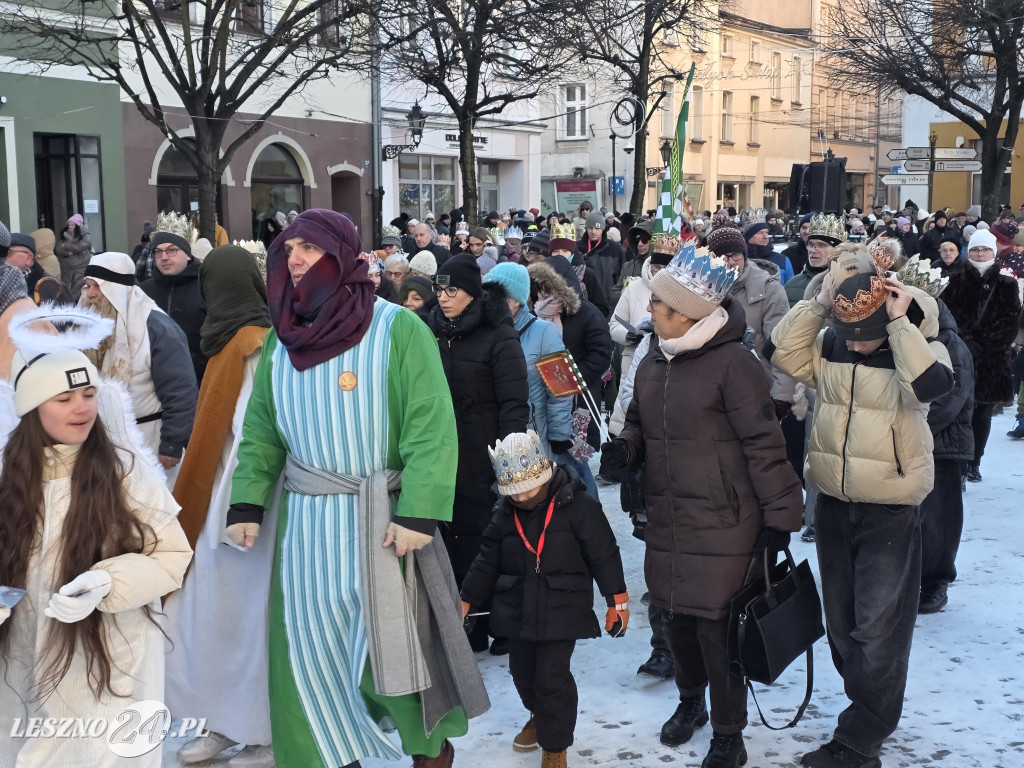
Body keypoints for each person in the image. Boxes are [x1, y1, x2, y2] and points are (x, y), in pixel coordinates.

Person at [226, 210, 488, 768]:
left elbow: (430, 424)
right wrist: (248, 499)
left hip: (385, 523)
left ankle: (429, 753)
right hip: (306, 533)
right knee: (307, 659)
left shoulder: (399, 329)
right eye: (288, 247)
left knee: (396, 654)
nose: (292, 258)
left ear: (342, 257)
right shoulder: (281, 342)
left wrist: (419, 512)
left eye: (309, 248)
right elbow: (262, 429)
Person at [602, 244, 803, 768]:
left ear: (688, 314)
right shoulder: (654, 357)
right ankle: (690, 702)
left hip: (725, 519)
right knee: (675, 620)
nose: (649, 312)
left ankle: (728, 733)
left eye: (659, 308)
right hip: (667, 513)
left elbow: (764, 443)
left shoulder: (735, 364)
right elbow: (642, 423)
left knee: (718, 628)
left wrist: (781, 516)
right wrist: (627, 447)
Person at [769, 253, 954, 768]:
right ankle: (868, 702)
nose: (853, 341)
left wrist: (897, 324)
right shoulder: (831, 343)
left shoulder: (918, 349)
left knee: (879, 628)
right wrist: (820, 303)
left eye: (864, 331)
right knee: (843, 624)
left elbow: (934, 389)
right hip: (832, 502)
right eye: (847, 329)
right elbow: (781, 352)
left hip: (890, 508)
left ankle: (861, 736)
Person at [0, 313, 192, 767]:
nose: (82, 408)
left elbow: (170, 556)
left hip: (108, 652)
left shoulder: (126, 473)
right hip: (21, 652)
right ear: (33, 408)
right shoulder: (9, 478)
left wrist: (108, 582)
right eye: (63, 398)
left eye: (88, 394)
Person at [164, 245, 275, 768]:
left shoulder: (255, 344)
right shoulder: (228, 341)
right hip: (218, 506)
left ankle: (261, 729)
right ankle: (223, 723)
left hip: (244, 512)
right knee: (214, 619)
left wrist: (239, 510)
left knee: (246, 621)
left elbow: (255, 435)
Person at [460, 431, 628, 768]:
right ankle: (539, 715)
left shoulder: (579, 505)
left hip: (562, 606)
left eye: (528, 490)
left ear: (544, 474)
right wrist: (467, 599)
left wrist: (617, 601)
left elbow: (604, 554)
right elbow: (487, 559)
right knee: (522, 673)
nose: (521, 498)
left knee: (552, 678)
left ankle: (556, 746)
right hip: (517, 606)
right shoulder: (504, 511)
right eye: (514, 493)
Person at [425, 254, 529, 654]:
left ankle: (494, 622)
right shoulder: (429, 329)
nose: (444, 297)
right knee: (448, 540)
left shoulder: (498, 334)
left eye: (453, 290)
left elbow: (514, 404)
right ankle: (461, 622)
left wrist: (507, 466)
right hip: (440, 452)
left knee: (485, 541)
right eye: (440, 289)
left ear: (472, 293)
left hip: (483, 455)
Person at [79, 251, 198, 482]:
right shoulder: (86, 322)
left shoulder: (157, 328)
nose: (90, 294)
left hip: (147, 440)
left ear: (116, 289)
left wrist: (172, 445)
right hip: (98, 440)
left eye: (98, 287)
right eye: (88, 286)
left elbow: (181, 391)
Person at [914, 270, 974, 615]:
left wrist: (907, 426)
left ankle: (936, 580)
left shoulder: (951, 344)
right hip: (911, 441)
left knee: (939, 517)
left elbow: (948, 400)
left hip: (943, 445)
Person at [941, 228, 1021, 482]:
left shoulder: (1007, 284)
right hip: (959, 357)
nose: (980, 253)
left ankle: (975, 461)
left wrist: (984, 344)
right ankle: (960, 465)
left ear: (993, 252)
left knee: (982, 414)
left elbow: (1010, 321)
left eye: (985, 249)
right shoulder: (953, 280)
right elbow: (945, 316)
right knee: (957, 412)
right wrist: (963, 342)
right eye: (976, 248)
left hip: (992, 360)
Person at [483, 263, 573, 459]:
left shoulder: (543, 333)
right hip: (487, 435)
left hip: (531, 438)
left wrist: (559, 435)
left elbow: (561, 389)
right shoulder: (482, 331)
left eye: (497, 296)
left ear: (515, 301)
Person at [708, 225, 795, 419]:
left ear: (744, 255)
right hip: (710, 392)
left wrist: (780, 399)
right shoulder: (703, 288)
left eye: (735, 255)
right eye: (722, 257)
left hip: (755, 392)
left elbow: (781, 347)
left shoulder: (769, 289)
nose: (730, 262)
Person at [141, 224, 209, 384]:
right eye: (158, 251)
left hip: (198, 382)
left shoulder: (206, 287)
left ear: (187, 254)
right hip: (152, 385)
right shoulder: (143, 292)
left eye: (171, 250)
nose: (164, 257)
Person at [786, 214, 843, 307]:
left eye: (821, 245)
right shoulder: (792, 284)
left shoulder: (850, 283)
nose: (812, 250)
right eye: (810, 244)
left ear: (837, 249)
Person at [577, 210, 624, 309]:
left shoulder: (615, 250)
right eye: (590, 228)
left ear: (603, 229)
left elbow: (621, 279)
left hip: (607, 305)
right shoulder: (577, 249)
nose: (593, 232)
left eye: (597, 228)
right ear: (586, 228)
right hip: (583, 305)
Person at [55, 213, 93, 301]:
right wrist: (70, 253)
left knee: (79, 289)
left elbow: (82, 246)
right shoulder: (64, 235)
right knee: (67, 289)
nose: (70, 227)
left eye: (72, 224)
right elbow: (58, 249)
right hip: (67, 269)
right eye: (69, 224)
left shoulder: (84, 235)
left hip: (80, 268)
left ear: (77, 225)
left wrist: (66, 247)